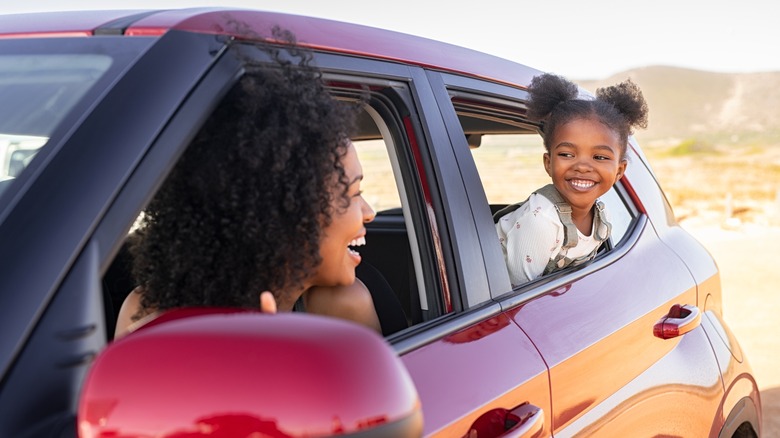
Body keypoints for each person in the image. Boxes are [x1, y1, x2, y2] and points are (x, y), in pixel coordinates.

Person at [115, 32, 381, 338]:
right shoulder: (149, 314)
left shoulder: (343, 307)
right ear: (287, 212)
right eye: (355, 193)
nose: (370, 212)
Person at [495, 72, 648, 286]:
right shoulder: (541, 222)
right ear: (548, 163)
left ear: (620, 170)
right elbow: (519, 301)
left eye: (600, 157)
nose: (582, 166)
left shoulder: (601, 217)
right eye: (567, 154)